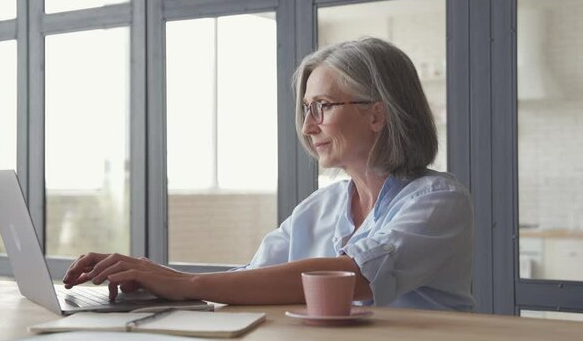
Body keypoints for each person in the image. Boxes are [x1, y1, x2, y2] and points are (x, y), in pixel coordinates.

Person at [63, 37, 474, 311]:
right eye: (306, 110)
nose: (308, 127)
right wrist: (149, 274)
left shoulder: (437, 200)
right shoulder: (321, 206)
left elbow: (355, 277)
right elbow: (249, 280)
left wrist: (182, 283)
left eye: (323, 107)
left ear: (377, 114)